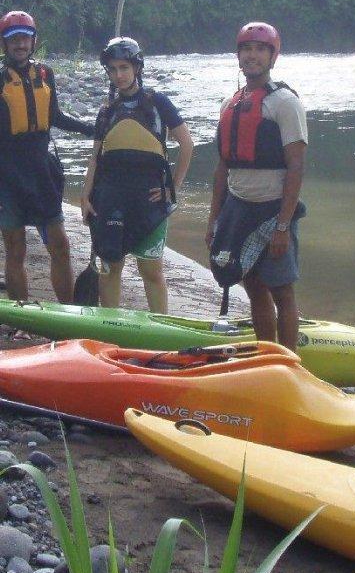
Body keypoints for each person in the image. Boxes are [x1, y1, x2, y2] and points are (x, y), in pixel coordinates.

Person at [207, 22, 307, 350]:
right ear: (238, 55)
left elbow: (296, 166)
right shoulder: (229, 105)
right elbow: (222, 167)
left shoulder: (285, 103)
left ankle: (288, 363)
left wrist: (282, 225)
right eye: (246, 49)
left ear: (272, 56)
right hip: (238, 207)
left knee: (282, 290)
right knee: (252, 284)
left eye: (260, 49)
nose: (252, 55)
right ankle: (267, 355)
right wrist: (214, 220)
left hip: (272, 209)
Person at [81, 37, 193, 313]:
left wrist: (172, 189)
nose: (118, 75)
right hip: (111, 200)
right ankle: (110, 330)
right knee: (110, 269)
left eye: (123, 67)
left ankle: (160, 330)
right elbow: (95, 158)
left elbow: (187, 145)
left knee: (151, 272)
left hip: (150, 201)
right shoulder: (107, 111)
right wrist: (85, 197)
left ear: (137, 68)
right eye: (112, 69)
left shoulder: (159, 103)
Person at [0, 10, 94, 302]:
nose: (20, 44)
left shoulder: (45, 74)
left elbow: (54, 117)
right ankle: (23, 320)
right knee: (15, 249)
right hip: (8, 176)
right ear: (5, 44)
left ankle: (67, 313)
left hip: (42, 172)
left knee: (60, 245)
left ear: (33, 41)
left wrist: (91, 128)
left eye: (25, 38)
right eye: (13, 39)